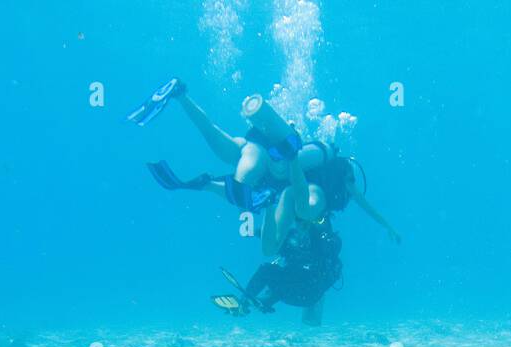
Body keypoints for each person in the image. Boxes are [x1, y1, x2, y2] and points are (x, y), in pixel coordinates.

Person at [130, 79, 401, 252]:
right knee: (298, 202)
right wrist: (386, 224)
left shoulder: (289, 198)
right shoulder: (337, 183)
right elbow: (361, 201)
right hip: (285, 164)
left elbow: (269, 246)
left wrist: (268, 211)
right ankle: (278, 160)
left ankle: (180, 95)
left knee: (228, 148)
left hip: (263, 155)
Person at [213, 215, 344, 327]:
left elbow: (272, 238)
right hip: (304, 296)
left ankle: (246, 302)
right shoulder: (296, 239)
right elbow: (271, 238)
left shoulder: (324, 242)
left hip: (302, 293)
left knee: (268, 270)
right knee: (279, 272)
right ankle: (263, 301)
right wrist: (253, 231)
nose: (301, 225)